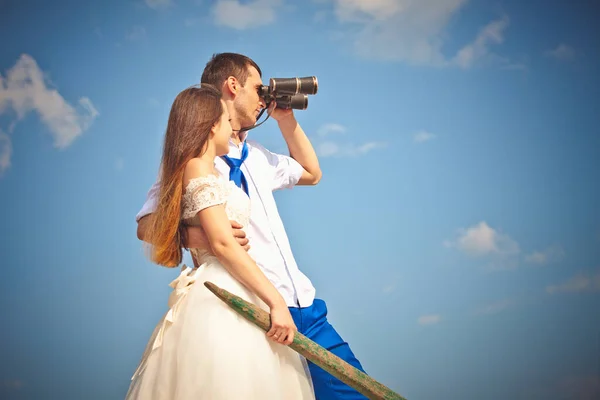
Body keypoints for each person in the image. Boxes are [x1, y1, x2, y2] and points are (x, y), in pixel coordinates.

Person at [136, 53, 369, 400]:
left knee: (358, 391)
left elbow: (312, 173)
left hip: (301, 303)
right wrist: (199, 236)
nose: (263, 98)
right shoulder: (197, 154)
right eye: (259, 88)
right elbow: (148, 224)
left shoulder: (257, 155)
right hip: (253, 301)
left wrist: (285, 120)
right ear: (233, 85)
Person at [126, 84, 316, 399]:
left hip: (238, 286)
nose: (232, 130)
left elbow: (313, 172)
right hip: (226, 289)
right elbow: (224, 244)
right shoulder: (199, 169)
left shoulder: (207, 167)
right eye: (227, 122)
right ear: (213, 124)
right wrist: (276, 302)